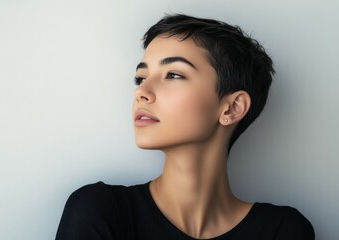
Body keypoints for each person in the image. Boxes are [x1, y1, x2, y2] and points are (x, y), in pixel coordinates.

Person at [55, 14, 315, 240]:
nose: (141, 92)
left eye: (173, 74)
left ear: (232, 108)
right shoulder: (99, 210)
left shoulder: (284, 231)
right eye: (141, 77)